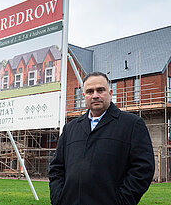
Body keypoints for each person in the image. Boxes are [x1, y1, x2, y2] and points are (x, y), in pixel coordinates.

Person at [49, 72, 155, 205]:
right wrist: (58, 199)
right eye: (89, 91)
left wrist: (122, 201)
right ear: (84, 96)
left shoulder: (132, 124)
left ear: (110, 93)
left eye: (100, 90)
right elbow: (56, 168)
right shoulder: (70, 128)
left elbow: (143, 168)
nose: (95, 95)